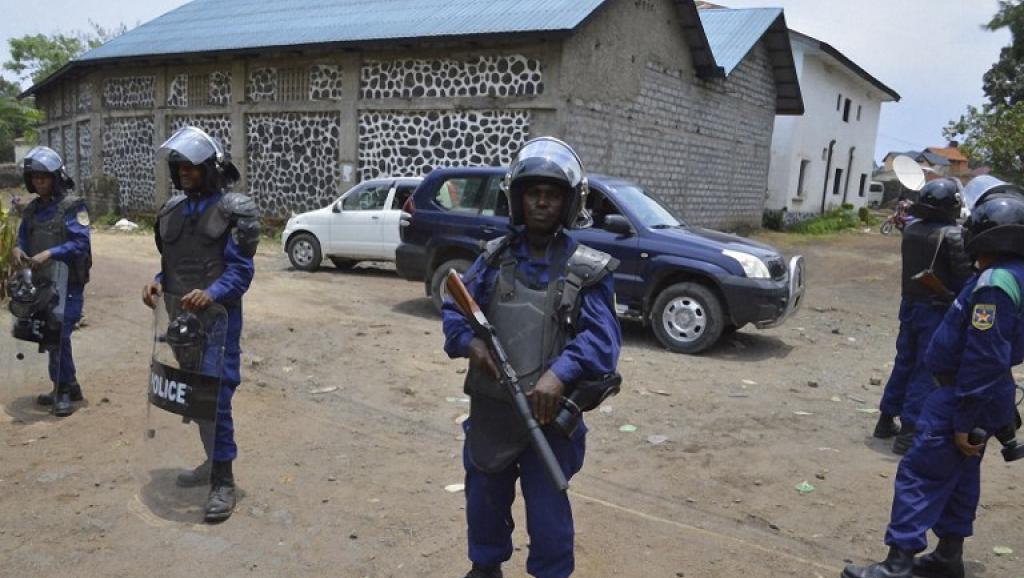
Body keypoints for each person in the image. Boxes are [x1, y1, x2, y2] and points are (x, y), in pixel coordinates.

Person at [442, 137, 622, 578]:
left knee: (548, 517)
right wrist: (472, 343)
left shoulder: (587, 267)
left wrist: (559, 376)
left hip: (549, 420)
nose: (542, 202)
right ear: (518, 198)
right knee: (484, 500)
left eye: (553, 194)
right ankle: (485, 568)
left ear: (568, 202)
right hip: (493, 413)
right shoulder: (493, 259)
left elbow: (602, 341)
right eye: (533, 192)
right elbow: (455, 308)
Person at [843, 187, 1024, 578]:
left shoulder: (994, 283)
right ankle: (948, 557)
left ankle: (897, 564)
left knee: (920, 473)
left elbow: (984, 355)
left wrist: (963, 419)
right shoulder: (1012, 276)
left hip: (963, 392)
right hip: (988, 392)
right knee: (960, 476)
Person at [141, 126, 260, 523]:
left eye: (192, 165)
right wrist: (157, 285)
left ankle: (223, 481)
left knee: (216, 400)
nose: (184, 171)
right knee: (194, 399)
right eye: (179, 166)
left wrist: (213, 292)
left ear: (211, 167)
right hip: (180, 325)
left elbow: (241, 272)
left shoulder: (233, 209)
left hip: (218, 325)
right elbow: (171, 267)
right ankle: (211, 463)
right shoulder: (171, 210)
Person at [875, 178, 972, 453]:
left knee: (904, 361)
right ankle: (909, 431)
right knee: (925, 369)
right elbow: (964, 277)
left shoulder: (912, 229)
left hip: (910, 305)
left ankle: (885, 419)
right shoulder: (953, 235)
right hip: (937, 309)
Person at [12, 146, 91, 417]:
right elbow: (23, 237)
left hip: (69, 283)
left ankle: (62, 391)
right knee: (50, 334)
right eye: (34, 177)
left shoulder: (73, 206)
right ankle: (71, 384)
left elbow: (81, 243)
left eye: (44, 177)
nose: (39, 182)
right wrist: (18, 250)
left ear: (56, 178)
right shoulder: (32, 210)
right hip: (44, 283)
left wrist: (51, 253)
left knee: (58, 334)